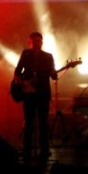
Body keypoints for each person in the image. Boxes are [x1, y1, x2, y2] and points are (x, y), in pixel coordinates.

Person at [13, 32, 58, 160]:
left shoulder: (48, 56)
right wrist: (19, 80)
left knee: (43, 122)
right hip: (29, 93)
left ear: (42, 42)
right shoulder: (26, 53)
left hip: (43, 93)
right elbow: (18, 70)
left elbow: (53, 76)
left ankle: (44, 150)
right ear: (30, 42)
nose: (37, 43)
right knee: (28, 122)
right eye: (34, 41)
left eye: (39, 40)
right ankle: (27, 150)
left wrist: (54, 73)